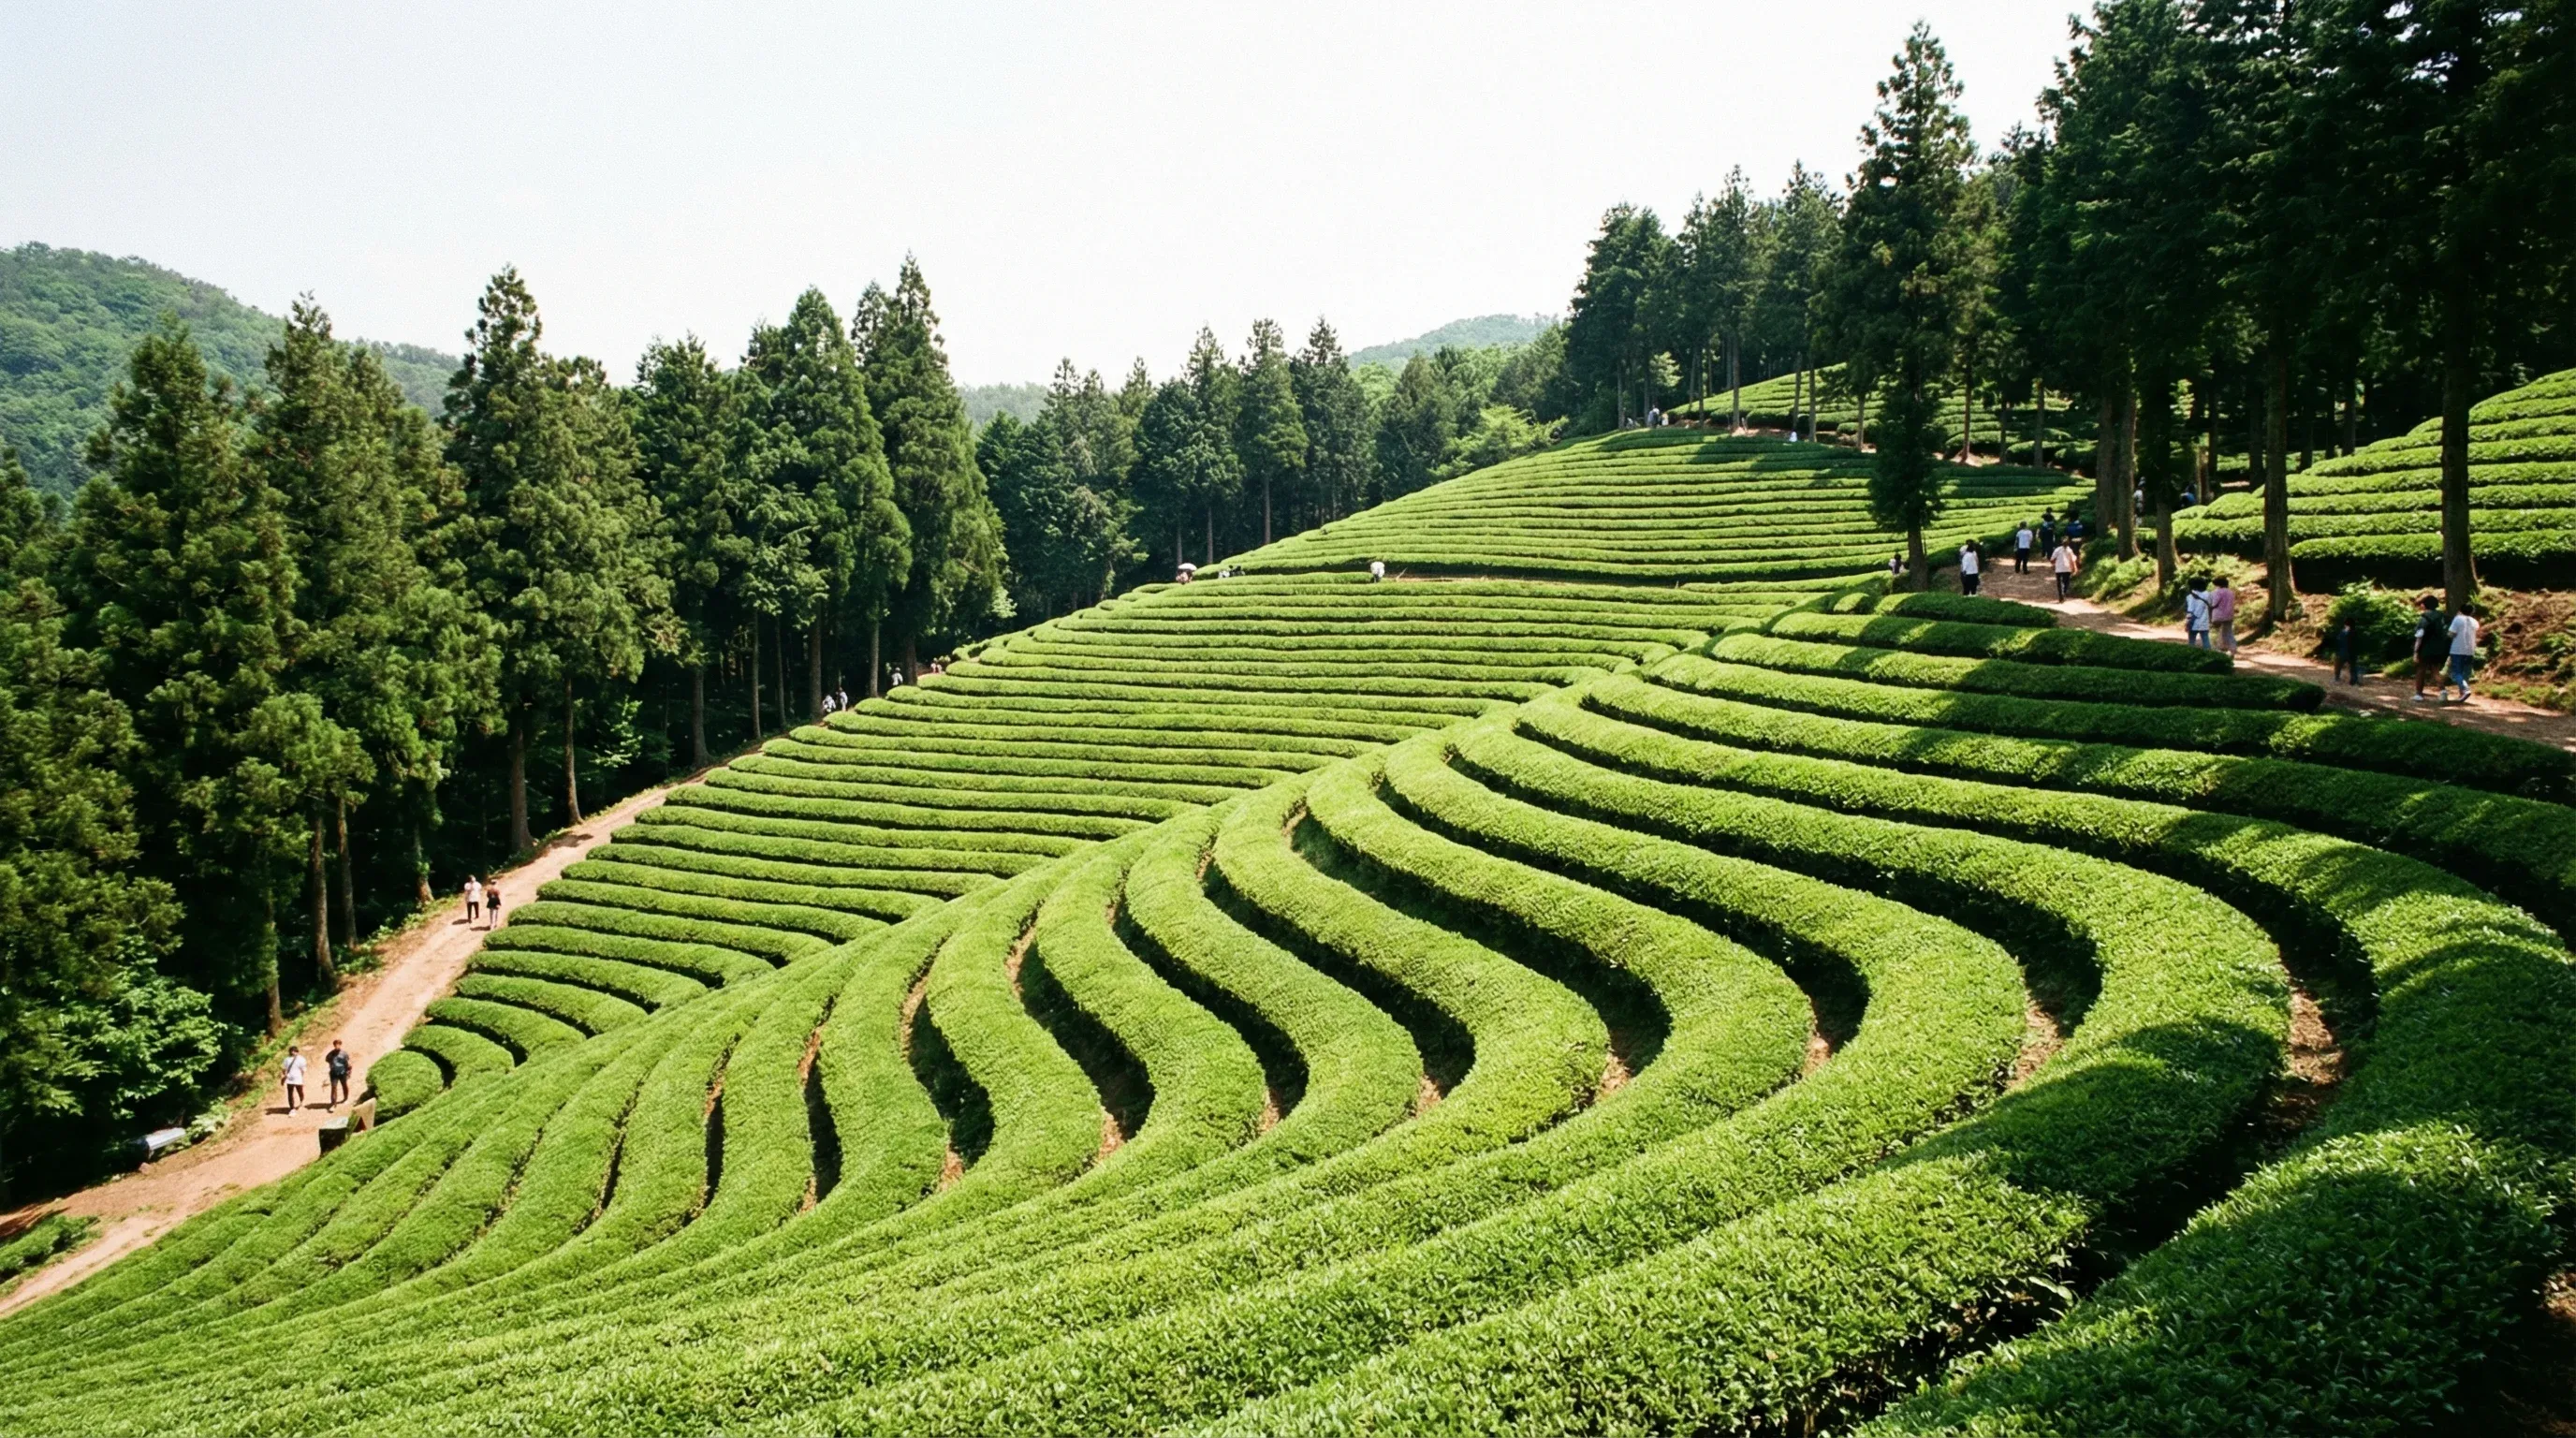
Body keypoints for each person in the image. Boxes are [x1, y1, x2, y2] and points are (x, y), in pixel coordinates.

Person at [2411, 594, 2447, 701]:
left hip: (2426, 647)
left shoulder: (2424, 617)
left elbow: (2419, 635)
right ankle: (2443, 690)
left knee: (2421, 669)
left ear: (2425, 605)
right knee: (2436, 670)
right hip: (2440, 647)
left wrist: (2416, 651)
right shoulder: (2442, 616)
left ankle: (2418, 694)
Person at [2444, 603, 2481, 702]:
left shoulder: (2457, 619)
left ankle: (2465, 690)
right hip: (2470, 650)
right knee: (2465, 673)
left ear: (2460, 610)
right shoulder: (2475, 622)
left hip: (2457, 649)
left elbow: (2451, 633)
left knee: (2456, 672)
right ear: (2472, 612)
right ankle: (2462, 693)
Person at [2210, 576, 2238, 654]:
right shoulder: (2231, 592)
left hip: (2218, 615)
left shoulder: (2216, 592)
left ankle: (2217, 649)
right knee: (2229, 632)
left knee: (2215, 632)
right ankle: (2232, 648)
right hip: (2229, 614)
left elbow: (2214, 604)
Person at [2183, 578, 2213, 649]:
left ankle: (2191, 655)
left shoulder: (2189, 596)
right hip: (2204, 621)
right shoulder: (2208, 594)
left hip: (2192, 621)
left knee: (2191, 641)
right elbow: (2210, 605)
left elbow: (2189, 609)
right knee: (2205, 640)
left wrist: (2188, 622)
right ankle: (2208, 655)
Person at [2331, 616, 2361, 685]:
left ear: (2345, 624)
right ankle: (2354, 680)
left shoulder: (2343, 632)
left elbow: (2338, 641)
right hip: (2350, 653)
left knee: (2338, 666)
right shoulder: (2353, 632)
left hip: (2343, 652)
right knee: (2353, 667)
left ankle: (2337, 678)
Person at [325, 1039, 352, 1110]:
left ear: (340, 1045)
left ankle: (345, 1098)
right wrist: (332, 1065)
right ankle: (333, 1104)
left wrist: (349, 1071)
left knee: (344, 1085)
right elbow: (327, 1060)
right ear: (334, 1045)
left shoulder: (344, 1053)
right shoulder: (330, 1054)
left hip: (343, 1072)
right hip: (334, 1073)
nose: (337, 1046)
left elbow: (348, 1063)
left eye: (339, 1044)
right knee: (334, 1087)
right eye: (336, 1044)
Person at [2049, 537, 2078, 601]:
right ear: (2068, 543)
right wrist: (2075, 568)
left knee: (2059, 582)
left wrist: (2054, 563)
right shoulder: (2070, 550)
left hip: (2059, 569)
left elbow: (2052, 560)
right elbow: (2073, 560)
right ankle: (2063, 592)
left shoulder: (2057, 549)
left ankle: (2061, 594)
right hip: (2067, 568)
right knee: (2066, 582)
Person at [282, 1047, 307, 1112]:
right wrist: (285, 1075)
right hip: (289, 1078)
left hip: (298, 1078)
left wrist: (301, 1076)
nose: (293, 1052)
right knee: (290, 1093)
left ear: (297, 1052)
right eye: (291, 1051)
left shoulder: (301, 1059)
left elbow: (303, 1069)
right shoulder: (287, 1059)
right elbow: (284, 1068)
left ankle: (302, 1100)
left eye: (294, 1051)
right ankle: (292, 1108)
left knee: (300, 1091)